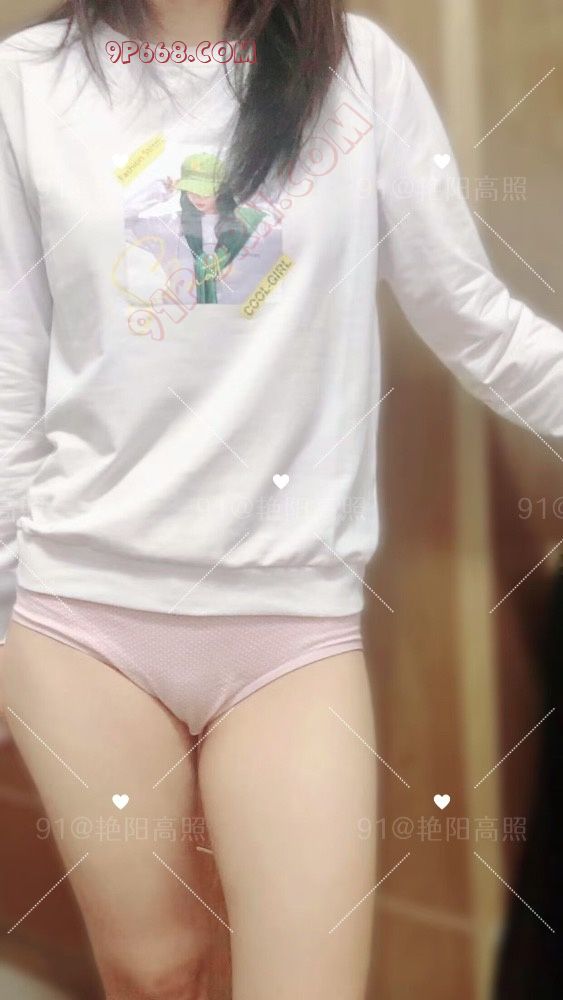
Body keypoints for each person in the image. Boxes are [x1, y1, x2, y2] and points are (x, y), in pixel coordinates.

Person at [0, 2, 561, 998]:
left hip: (289, 629)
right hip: (80, 616)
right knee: (155, 969)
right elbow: (9, 381)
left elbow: (472, 318)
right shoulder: (27, 81)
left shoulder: (356, 68)